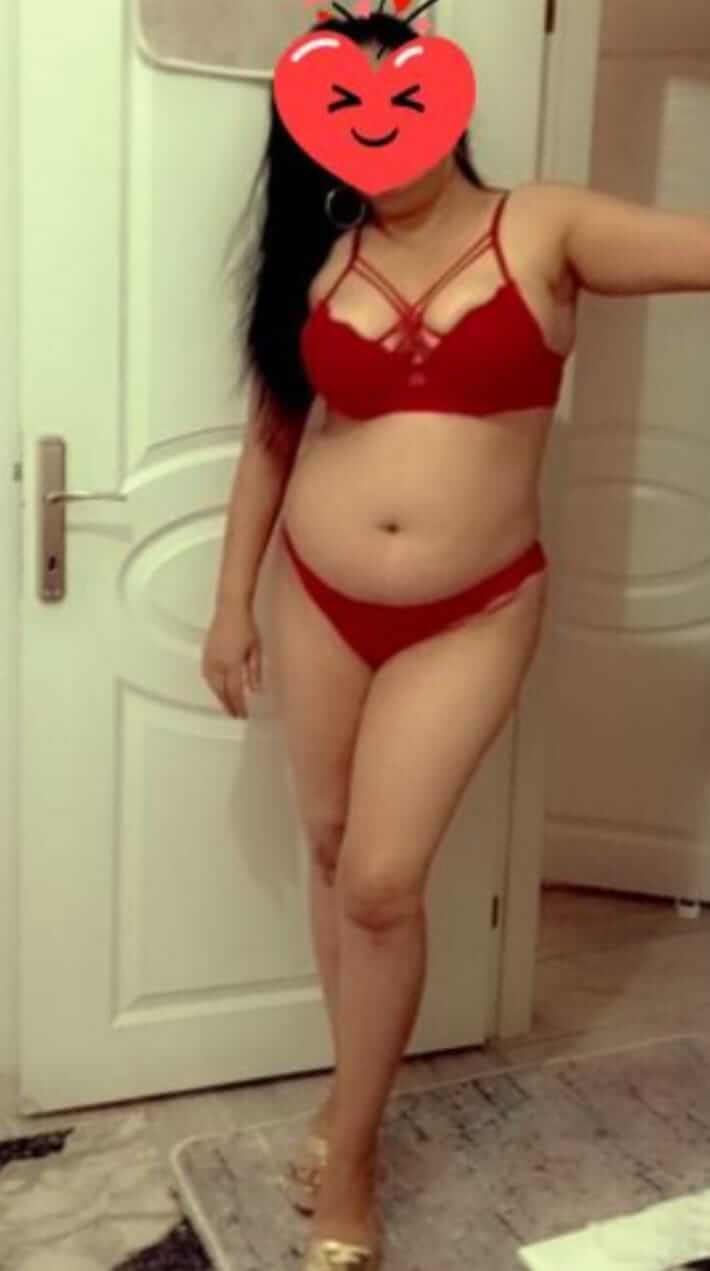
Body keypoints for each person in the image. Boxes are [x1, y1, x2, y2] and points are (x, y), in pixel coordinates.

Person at [201, 6, 710, 1268]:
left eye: (400, 94)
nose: (378, 128)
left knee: (381, 878)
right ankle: (348, 1098)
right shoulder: (315, 256)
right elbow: (271, 440)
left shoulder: (542, 224)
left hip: (470, 609)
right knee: (332, 851)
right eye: (344, 105)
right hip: (316, 595)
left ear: (446, 97)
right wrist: (229, 601)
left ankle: (353, 1157)